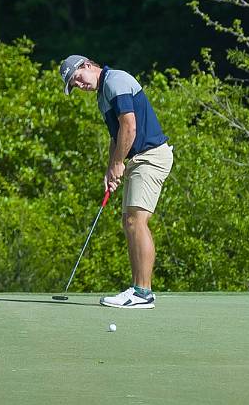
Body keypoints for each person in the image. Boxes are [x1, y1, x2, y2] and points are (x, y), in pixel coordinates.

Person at [59, 55, 173, 309]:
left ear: (87, 65)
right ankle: (138, 289)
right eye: (74, 85)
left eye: (77, 78)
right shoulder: (103, 95)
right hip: (138, 158)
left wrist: (120, 163)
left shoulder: (115, 80)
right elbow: (117, 135)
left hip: (150, 156)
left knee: (136, 220)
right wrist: (112, 167)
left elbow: (129, 127)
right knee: (129, 221)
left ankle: (143, 293)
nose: (79, 84)